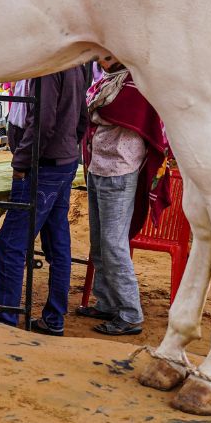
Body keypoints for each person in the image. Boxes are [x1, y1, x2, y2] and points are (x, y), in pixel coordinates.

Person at [0, 67, 89, 336]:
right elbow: (82, 116)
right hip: (63, 161)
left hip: (44, 166)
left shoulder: (49, 67)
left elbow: (43, 122)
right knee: (57, 244)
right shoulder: (74, 64)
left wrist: (22, 162)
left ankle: (6, 319)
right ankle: (54, 318)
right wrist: (68, 145)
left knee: (12, 243)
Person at [79, 54, 170, 336]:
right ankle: (106, 301)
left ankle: (130, 313)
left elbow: (112, 112)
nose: (100, 60)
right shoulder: (109, 80)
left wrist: (92, 112)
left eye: (106, 55)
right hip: (98, 164)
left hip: (119, 167)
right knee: (99, 240)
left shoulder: (135, 84)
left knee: (113, 243)